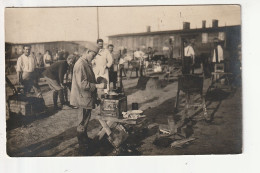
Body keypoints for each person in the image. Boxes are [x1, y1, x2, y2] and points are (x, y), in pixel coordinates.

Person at [70, 43, 106, 153]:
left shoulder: (86, 63)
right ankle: (82, 147)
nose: (94, 57)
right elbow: (83, 84)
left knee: (85, 121)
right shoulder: (81, 64)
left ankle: (85, 140)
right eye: (93, 55)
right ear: (87, 52)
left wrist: (98, 80)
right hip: (82, 98)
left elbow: (88, 79)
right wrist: (97, 86)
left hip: (86, 98)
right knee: (82, 122)